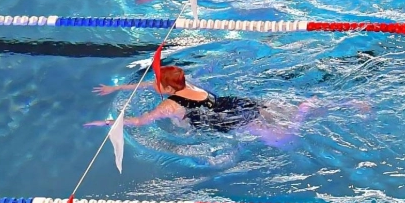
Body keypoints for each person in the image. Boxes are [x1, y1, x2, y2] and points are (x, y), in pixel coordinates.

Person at [87, 65, 327, 146]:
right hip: (232, 103)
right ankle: (314, 106)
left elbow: (138, 122)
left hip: (223, 120)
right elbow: (149, 85)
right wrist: (116, 89)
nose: (153, 85)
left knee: (283, 140)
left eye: (158, 85)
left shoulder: (169, 106)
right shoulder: (186, 82)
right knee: (271, 111)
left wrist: (106, 122)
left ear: (169, 90)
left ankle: (303, 112)